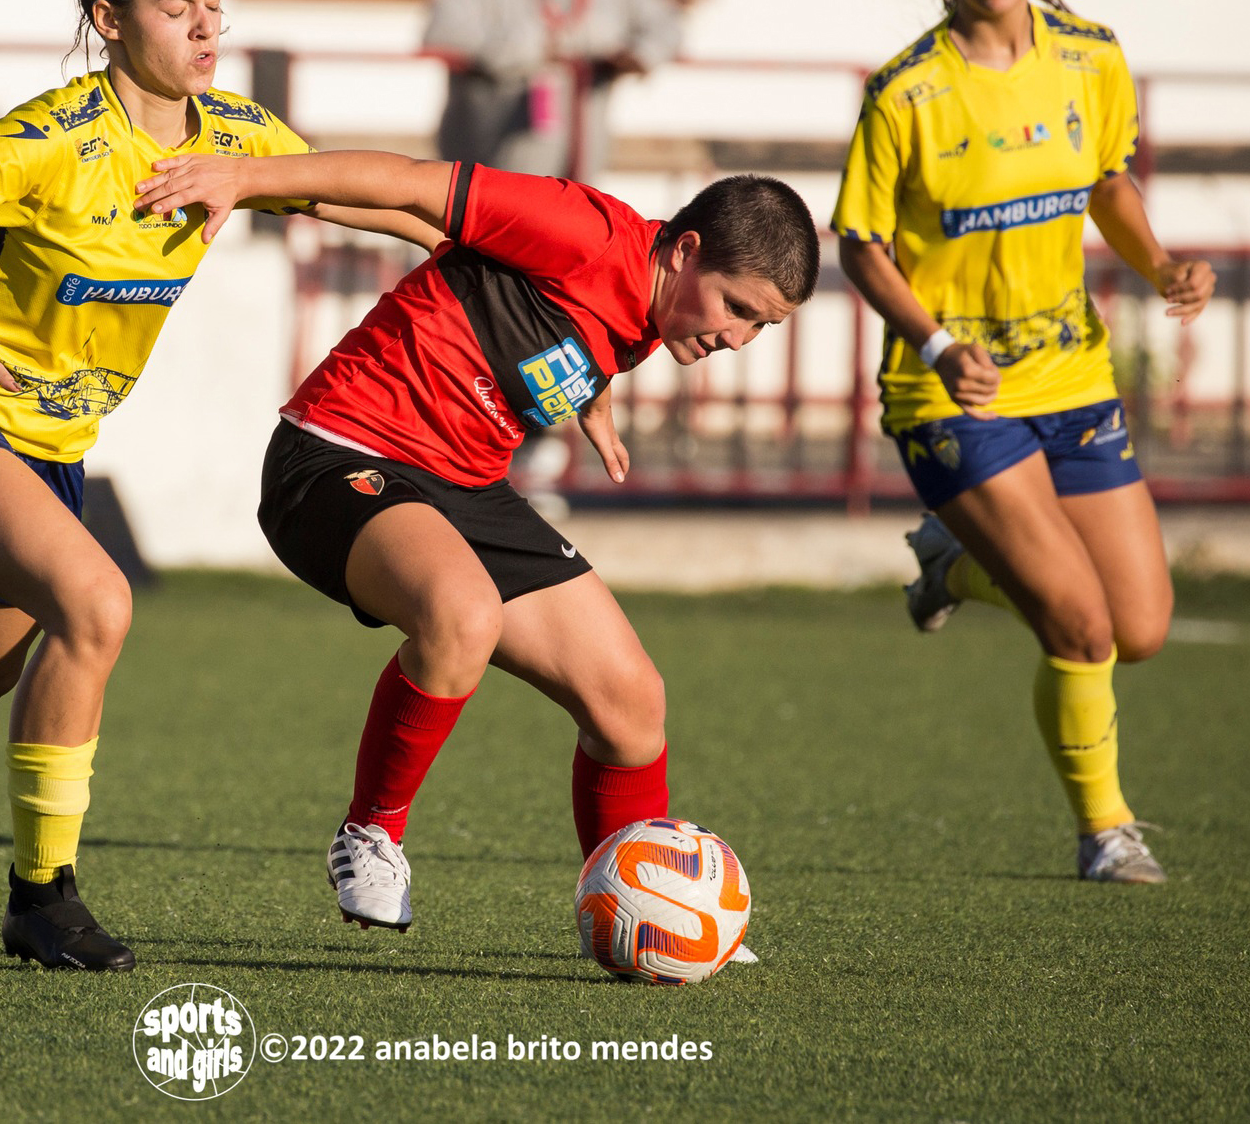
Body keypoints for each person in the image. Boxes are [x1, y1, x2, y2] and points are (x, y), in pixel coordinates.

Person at [0, 0, 434, 970]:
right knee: (96, 603)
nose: (204, 30)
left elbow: (368, 198)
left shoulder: (232, 138)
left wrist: (498, 244)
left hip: (46, 449)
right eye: (176, 7)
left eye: (215, 8)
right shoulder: (52, 138)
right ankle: (42, 896)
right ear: (109, 18)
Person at [133, 147, 818, 947]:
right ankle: (371, 834)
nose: (739, 337)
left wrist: (591, 397)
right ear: (688, 249)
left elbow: (517, 302)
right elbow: (418, 191)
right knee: (464, 615)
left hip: (461, 489)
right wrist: (247, 178)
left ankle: (654, 907)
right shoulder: (587, 231)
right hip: (338, 454)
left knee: (632, 703)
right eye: (737, 307)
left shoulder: (648, 312)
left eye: (762, 327)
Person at [832, 0, 1215, 884]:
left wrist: (1159, 262)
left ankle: (947, 563)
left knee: (1136, 627)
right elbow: (860, 243)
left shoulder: (1090, 58)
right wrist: (935, 341)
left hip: (1071, 379)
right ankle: (1106, 833)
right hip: (951, 393)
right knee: (1078, 624)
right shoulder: (906, 91)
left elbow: (1106, 181)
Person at [424, 0, 681, 183]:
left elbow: (667, 22)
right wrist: (526, 50)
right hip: (495, 165)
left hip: (582, 157)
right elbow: (439, 32)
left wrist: (639, 55)